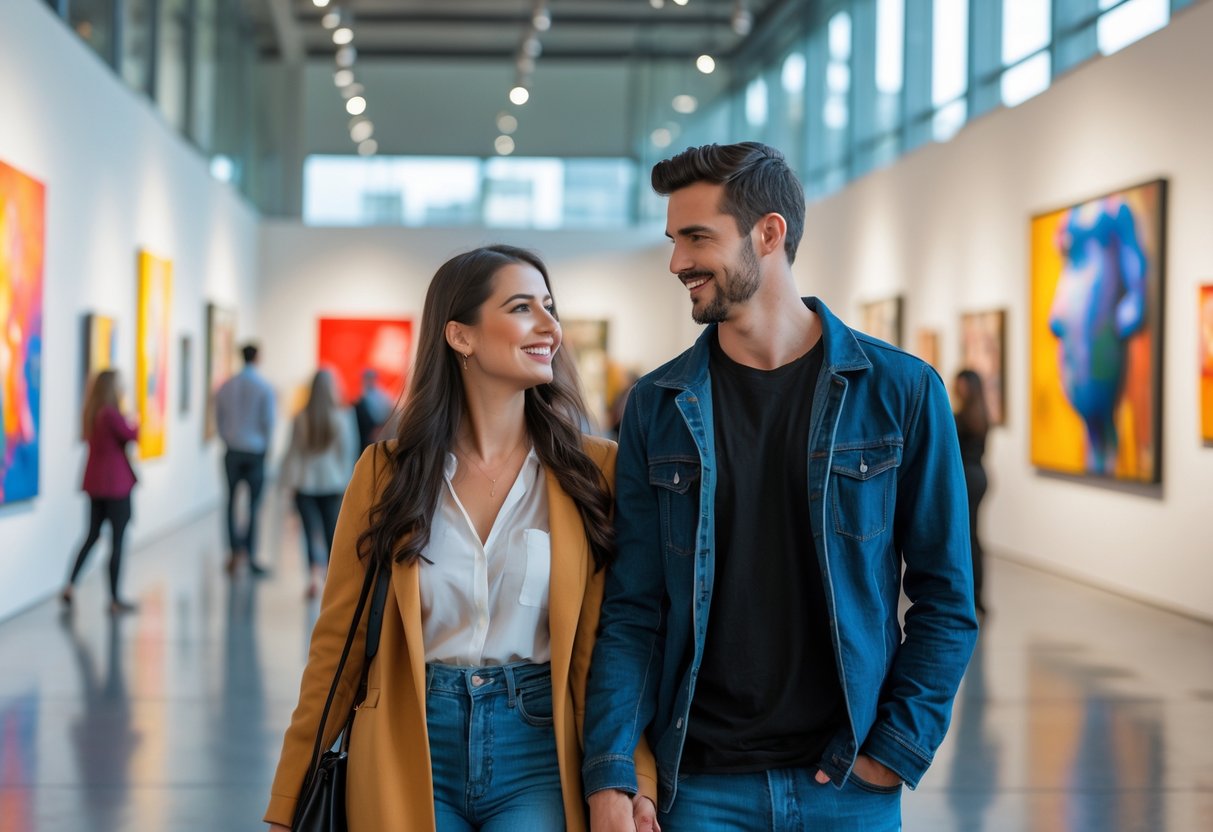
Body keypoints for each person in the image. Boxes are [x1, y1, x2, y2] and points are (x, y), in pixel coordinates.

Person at [582, 142, 978, 831]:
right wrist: (612, 766)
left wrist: (895, 747)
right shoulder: (656, 405)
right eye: (673, 240)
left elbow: (947, 596)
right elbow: (634, 607)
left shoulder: (902, 391)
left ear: (768, 233)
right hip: (698, 786)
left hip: (846, 784)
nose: (677, 262)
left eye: (696, 237)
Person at [264, 245, 658, 831]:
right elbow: (337, 647)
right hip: (408, 740)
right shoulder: (385, 473)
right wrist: (286, 804)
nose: (549, 326)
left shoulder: (595, 471)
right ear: (460, 336)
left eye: (549, 307)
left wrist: (634, 777)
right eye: (523, 307)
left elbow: (622, 642)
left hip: (541, 748)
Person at [61, 370, 140, 613]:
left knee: (92, 535)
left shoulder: (92, 413)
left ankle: (70, 585)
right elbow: (131, 434)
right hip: (115, 485)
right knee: (117, 541)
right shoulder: (111, 414)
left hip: (95, 483)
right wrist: (134, 420)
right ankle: (115, 598)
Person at [280, 369, 358, 598]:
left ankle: (313, 574)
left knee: (308, 531)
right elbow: (348, 452)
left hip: (304, 484)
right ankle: (332, 579)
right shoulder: (343, 417)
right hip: (333, 484)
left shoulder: (300, 416)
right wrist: (349, 484)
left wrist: (285, 483)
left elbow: (292, 453)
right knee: (332, 533)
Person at [214, 343, 276, 575]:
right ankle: (248, 555)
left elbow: (218, 418)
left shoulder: (226, 386)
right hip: (255, 451)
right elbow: (269, 422)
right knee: (253, 505)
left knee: (230, 502)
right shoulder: (263, 387)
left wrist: (227, 438)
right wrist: (266, 448)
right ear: (257, 358)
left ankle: (233, 551)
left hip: (232, 450)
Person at [954, 369, 990, 617]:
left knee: (964, 537)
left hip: (965, 478)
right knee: (973, 536)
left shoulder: (960, 418)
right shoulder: (983, 415)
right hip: (980, 476)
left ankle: (968, 595)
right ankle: (977, 596)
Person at [353, 367, 393, 451]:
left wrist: (378, 430)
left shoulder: (381, 395)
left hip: (378, 433)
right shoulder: (362, 394)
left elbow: (387, 414)